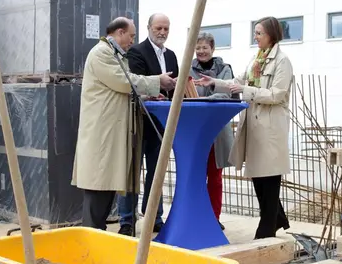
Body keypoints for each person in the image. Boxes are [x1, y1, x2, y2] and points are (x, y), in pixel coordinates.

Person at [71, 17, 176, 230]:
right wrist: (157, 81)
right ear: (119, 32)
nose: (132, 40)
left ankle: (97, 236)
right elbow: (124, 81)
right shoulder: (101, 53)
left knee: (105, 186)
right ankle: (92, 238)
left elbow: (121, 89)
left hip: (110, 132)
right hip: (103, 133)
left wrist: (145, 97)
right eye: (131, 35)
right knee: (98, 188)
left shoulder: (114, 54)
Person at [194, 16, 292, 239]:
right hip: (255, 126)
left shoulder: (282, 61)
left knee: (269, 177)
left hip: (270, 127)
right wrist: (214, 83)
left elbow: (277, 95)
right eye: (255, 32)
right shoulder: (257, 59)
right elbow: (238, 80)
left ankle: (267, 228)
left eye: (259, 33)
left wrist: (245, 91)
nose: (255, 37)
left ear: (271, 35)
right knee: (258, 175)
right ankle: (276, 217)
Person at [117, 13, 179, 236]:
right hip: (140, 120)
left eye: (166, 28)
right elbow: (135, 82)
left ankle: (154, 216)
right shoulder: (137, 51)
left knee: (157, 171)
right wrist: (158, 86)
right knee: (132, 172)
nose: (162, 32)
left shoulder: (171, 55)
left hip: (162, 123)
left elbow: (176, 86)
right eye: (158, 28)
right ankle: (126, 220)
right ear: (149, 28)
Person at [189, 32, 238, 231]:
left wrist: (207, 97)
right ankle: (197, 215)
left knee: (215, 177)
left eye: (204, 47)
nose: (201, 51)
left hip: (217, 131)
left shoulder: (224, 69)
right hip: (196, 130)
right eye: (198, 48)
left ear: (213, 49)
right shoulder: (188, 69)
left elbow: (228, 93)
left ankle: (214, 217)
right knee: (196, 176)